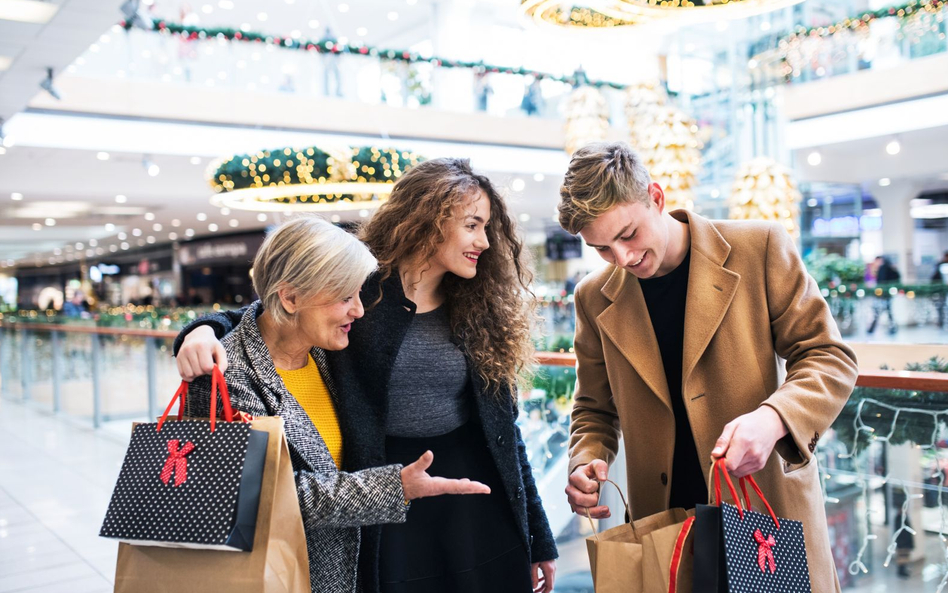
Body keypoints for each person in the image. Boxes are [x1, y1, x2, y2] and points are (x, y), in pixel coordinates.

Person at [174, 159, 558, 593]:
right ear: (431, 220)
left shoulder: (479, 307)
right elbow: (267, 314)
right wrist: (200, 331)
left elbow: (507, 433)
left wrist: (539, 536)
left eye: (487, 227)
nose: (485, 242)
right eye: (472, 225)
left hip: (476, 499)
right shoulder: (359, 287)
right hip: (384, 503)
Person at [557, 142, 858, 591]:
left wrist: (774, 419)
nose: (623, 259)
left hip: (764, 516)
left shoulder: (760, 247)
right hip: (664, 528)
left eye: (628, 234)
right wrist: (586, 459)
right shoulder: (592, 295)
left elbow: (828, 356)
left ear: (656, 198)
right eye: (602, 248)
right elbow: (594, 408)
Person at [182, 217, 491, 593]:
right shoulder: (224, 376)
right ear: (291, 297)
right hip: (276, 576)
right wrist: (395, 487)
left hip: (352, 571)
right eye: (345, 297)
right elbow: (262, 499)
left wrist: (201, 326)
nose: (359, 312)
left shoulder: (331, 352)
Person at [868, 255, 900, 335]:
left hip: (882, 294)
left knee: (878, 312)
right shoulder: (891, 268)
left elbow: (881, 281)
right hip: (887, 294)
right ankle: (892, 328)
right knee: (887, 312)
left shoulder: (883, 268)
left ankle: (872, 329)